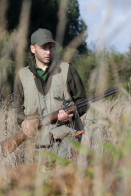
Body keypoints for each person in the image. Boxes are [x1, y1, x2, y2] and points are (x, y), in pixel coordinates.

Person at [13, 28, 88, 160]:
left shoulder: (67, 70)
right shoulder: (22, 76)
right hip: (38, 144)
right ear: (32, 48)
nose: (48, 52)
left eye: (51, 47)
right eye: (43, 48)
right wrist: (24, 123)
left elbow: (83, 102)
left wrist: (70, 115)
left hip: (67, 140)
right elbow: (17, 110)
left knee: (66, 179)